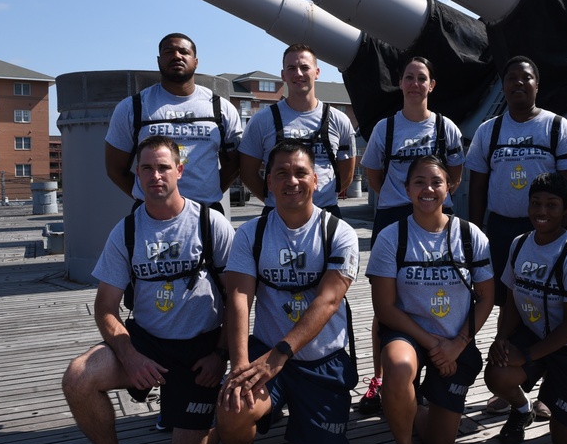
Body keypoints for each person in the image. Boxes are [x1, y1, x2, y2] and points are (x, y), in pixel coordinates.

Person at [62, 135, 235, 444]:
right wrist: (130, 354)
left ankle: (215, 413)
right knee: (78, 377)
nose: (155, 176)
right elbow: (105, 308)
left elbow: (238, 300)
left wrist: (220, 355)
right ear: (136, 174)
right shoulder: (125, 232)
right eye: (146, 168)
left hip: (199, 352)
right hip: (146, 344)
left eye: (163, 167)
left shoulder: (212, 224)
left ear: (180, 171)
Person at [217, 140, 360, 444]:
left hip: (321, 360)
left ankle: (300, 418)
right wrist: (241, 366)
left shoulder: (339, 233)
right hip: (266, 352)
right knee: (231, 408)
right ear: (267, 181)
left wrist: (281, 354)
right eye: (281, 173)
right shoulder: (250, 233)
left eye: (300, 172)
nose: (291, 181)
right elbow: (239, 300)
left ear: (317, 179)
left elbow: (328, 302)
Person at [365, 155, 495, 444]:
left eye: (436, 182)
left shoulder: (470, 236)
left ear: (449, 188)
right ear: (406, 189)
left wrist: (459, 343)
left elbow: (486, 298)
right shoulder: (392, 237)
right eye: (419, 182)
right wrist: (434, 344)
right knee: (396, 367)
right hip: (409, 333)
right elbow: (385, 308)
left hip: (456, 339)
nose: (428, 189)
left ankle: (409, 404)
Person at [465, 56, 567, 415]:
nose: (518, 83)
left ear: (537, 84)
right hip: (503, 229)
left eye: (526, 77)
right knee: (509, 304)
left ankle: (551, 384)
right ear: (503, 86)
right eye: (511, 77)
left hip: (548, 233)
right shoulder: (490, 131)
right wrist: (475, 235)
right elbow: (477, 186)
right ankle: (512, 385)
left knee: (554, 305)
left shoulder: (557, 127)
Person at [358, 56, 466, 415]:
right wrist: (398, 196)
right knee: (385, 301)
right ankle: (382, 379)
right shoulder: (385, 129)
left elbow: (454, 174)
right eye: (409, 77)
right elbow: (373, 172)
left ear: (431, 85)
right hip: (393, 214)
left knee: (436, 289)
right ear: (400, 84)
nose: (415, 83)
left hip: (436, 215)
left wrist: (432, 199)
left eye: (422, 78)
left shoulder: (445, 127)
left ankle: (437, 372)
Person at [486, 172, 567, 444]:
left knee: (566, 441)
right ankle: (521, 410)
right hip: (536, 335)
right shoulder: (518, 244)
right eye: (535, 203)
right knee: (497, 373)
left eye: (551, 205)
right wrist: (502, 339)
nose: (541, 211)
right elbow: (512, 301)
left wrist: (525, 356)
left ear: (566, 210)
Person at [104, 33, 243, 211]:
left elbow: (234, 165)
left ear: (196, 61)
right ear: (158, 60)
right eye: (169, 51)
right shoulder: (132, 108)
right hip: (150, 213)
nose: (176, 56)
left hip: (206, 212)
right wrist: (149, 197)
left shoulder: (221, 108)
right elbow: (115, 168)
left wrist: (206, 195)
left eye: (183, 52)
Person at [238, 43, 357, 216]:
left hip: (326, 213)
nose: (298, 73)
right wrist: (277, 199)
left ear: (317, 72)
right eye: (291, 68)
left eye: (304, 67)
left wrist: (323, 197)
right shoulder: (262, 121)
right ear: (283, 75)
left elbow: (347, 174)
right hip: (277, 214)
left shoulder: (339, 120)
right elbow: (248, 173)